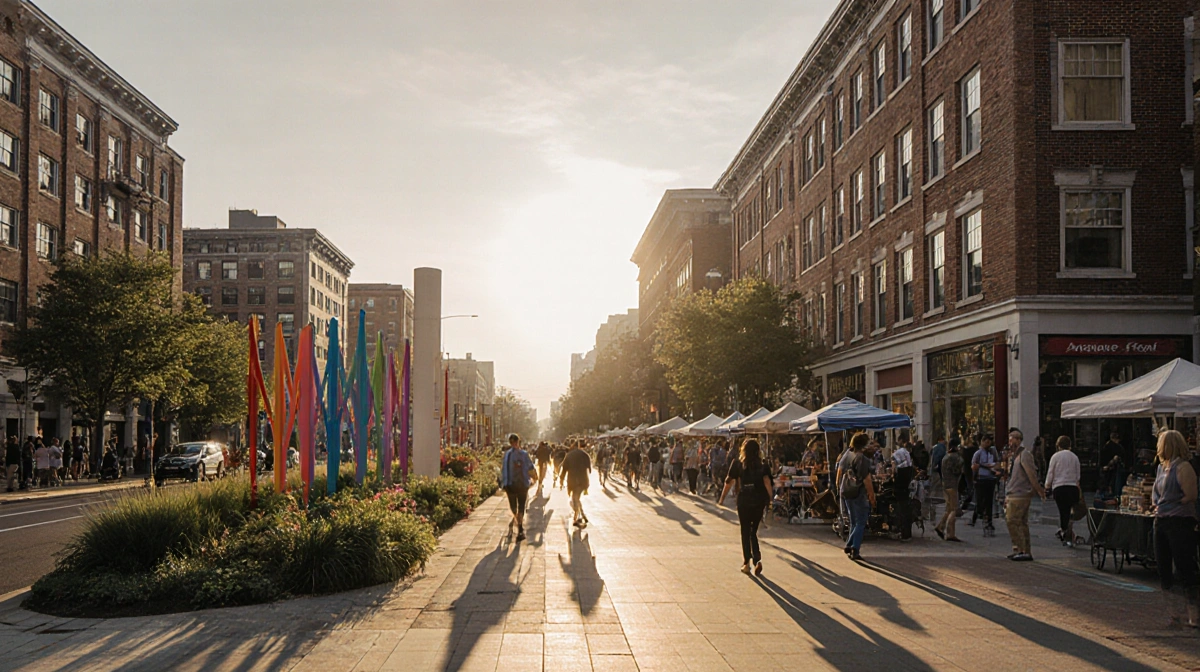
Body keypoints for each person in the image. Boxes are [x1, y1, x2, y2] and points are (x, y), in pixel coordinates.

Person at [1151, 429, 1198, 628]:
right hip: (1161, 520)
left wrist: (1171, 502)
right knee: (1163, 568)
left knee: (1185, 565)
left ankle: (1194, 613)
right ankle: (1173, 612)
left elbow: (1191, 495)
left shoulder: (1183, 467)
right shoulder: (1162, 468)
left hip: (1179, 521)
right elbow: (1156, 493)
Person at [720, 439, 773, 576]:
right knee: (753, 531)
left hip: (744, 501)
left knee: (745, 531)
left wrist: (722, 498)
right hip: (759, 502)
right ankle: (757, 559)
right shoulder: (763, 466)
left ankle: (747, 563)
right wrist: (771, 500)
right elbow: (767, 483)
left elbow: (729, 481)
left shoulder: (738, 464)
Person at [1003, 428, 1045, 561]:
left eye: (1013, 438)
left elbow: (1031, 473)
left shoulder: (1024, 454)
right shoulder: (1014, 456)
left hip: (1020, 494)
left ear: (1019, 440)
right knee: (1020, 523)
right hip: (1013, 493)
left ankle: (1022, 549)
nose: (1010, 441)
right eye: (1009, 438)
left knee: (1013, 521)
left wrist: (1038, 490)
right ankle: (1020, 549)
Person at [840, 433, 876, 561]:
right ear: (864, 445)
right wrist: (872, 496)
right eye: (869, 443)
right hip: (858, 493)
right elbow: (867, 480)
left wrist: (838, 487)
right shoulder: (862, 459)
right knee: (861, 521)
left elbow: (840, 471)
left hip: (846, 490)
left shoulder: (847, 455)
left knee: (853, 521)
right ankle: (854, 547)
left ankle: (850, 544)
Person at [1044, 435, 1082, 547]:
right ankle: (1068, 530)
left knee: (1063, 511)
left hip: (1059, 487)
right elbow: (1078, 475)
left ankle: (1065, 531)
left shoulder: (1055, 457)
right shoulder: (1075, 457)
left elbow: (1051, 472)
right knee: (1070, 510)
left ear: (1058, 445)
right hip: (1072, 487)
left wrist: (1047, 486)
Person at [500, 433, 535, 542]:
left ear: (510, 443)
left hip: (510, 485)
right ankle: (520, 529)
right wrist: (534, 479)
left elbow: (503, 470)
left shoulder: (506, 455)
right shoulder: (524, 454)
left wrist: (503, 484)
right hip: (522, 485)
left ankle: (517, 520)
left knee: (513, 506)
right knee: (521, 506)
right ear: (518, 442)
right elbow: (530, 467)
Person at [935, 441, 964, 542]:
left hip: (945, 484)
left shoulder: (945, 457)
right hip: (953, 485)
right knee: (953, 509)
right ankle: (950, 532)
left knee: (949, 508)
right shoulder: (955, 458)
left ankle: (940, 526)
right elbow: (957, 470)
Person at [971, 433, 1000, 533]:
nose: (988, 444)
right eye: (986, 442)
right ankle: (977, 515)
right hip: (981, 479)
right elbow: (974, 466)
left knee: (989, 501)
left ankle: (989, 521)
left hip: (990, 479)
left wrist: (994, 468)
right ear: (982, 442)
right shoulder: (978, 453)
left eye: (989, 442)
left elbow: (997, 463)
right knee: (980, 500)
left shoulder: (993, 452)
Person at [562, 444, 592, 528]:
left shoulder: (569, 455)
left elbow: (564, 469)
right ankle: (582, 514)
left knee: (575, 498)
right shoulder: (585, 454)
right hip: (583, 480)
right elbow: (589, 468)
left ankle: (577, 517)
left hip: (573, 480)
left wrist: (561, 480)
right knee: (577, 498)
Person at [891, 438, 915, 540]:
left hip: (901, 493)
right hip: (905, 493)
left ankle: (904, 533)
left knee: (902, 511)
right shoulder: (908, 467)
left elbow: (897, 483)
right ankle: (906, 533)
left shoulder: (901, 470)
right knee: (905, 511)